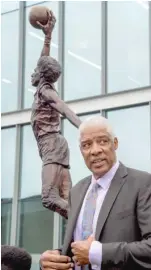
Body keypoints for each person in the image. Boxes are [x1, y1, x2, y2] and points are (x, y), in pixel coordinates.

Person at [40, 115, 151, 270]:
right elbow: (80, 248)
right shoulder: (77, 191)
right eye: (86, 145)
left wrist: (97, 253)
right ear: (81, 151)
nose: (95, 150)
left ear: (115, 144)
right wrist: (55, 258)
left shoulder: (143, 184)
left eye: (102, 141)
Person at [30, 10, 81, 219]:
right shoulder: (44, 84)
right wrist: (48, 37)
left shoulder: (46, 91)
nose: (32, 72)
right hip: (55, 144)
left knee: (49, 197)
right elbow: (44, 59)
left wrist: (85, 127)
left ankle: (88, 225)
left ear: (41, 75)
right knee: (67, 199)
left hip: (51, 143)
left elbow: (63, 107)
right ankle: (80, 239)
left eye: (36, 70)